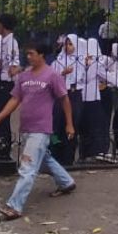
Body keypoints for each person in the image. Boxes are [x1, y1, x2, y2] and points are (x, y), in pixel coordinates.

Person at [0, 41, 76, 220]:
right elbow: (15, 99)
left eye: (31, 54)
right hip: (27, 127)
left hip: (41, 128)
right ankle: (66, 182)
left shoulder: (52, 75)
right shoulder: (24, 76)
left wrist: (69, 124)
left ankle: (15, 206)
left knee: (27, 167)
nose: (28, 57)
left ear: (42, 55)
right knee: (44, 159)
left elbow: (64, 100)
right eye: (27, 54)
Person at [0, 14, 20, 165]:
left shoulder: (11, 43)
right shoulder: (2, 42)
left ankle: (4, 151)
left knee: (3, 117)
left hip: (4, 83)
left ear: (3, 26)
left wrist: (14, 69)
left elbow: (13, 67)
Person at [52, 34, 83, 166]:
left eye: (70, 44)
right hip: (59, 96)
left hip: (73, 94)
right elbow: (51, 77)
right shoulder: (57, 60)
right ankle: (54, 153)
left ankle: (68, 157)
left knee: (71, 125)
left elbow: (81, 77)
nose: (67, 47)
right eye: (66, 44)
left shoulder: (80, 61)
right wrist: (62, 73)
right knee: (56, 125)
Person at [78, 37, 109, 161]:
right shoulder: (82, 62)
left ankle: (94, 151)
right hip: (92, 97)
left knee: (95, 124)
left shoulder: (102, 60)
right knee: (93, 125)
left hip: (95, 96)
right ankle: (91, 151)